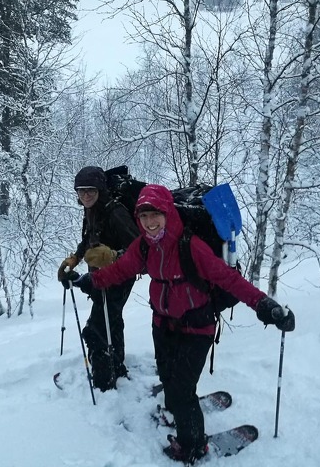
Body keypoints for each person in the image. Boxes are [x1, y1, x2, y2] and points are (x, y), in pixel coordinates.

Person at [64, 183, 295, 465]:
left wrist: (263, 305)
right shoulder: (144, 246)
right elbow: (120, 270)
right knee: (167, 376)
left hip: (197, 327)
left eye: (155, 215)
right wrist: (87, 280)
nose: (150, 223)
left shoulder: (191, 247)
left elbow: (229, 279)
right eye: (144, 216)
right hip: (162, 324)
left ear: (168, 213)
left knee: (182, 390)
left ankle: (192, 446)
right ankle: (174, 410)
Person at [58, 166, 139, 391]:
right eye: (81, 190)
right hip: (101, 277)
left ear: (100, 190)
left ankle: (104, 382)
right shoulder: (92, 210)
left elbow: (140, 249)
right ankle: (116, 366)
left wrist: (113, 256)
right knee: (111, 320)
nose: (86, 195)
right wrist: (76, 257)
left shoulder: (115, 212)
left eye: (91, 190)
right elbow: (89, 238)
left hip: (120, 277)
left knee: (96, 329)